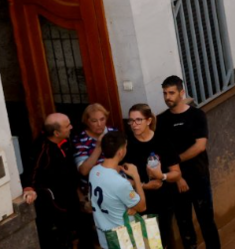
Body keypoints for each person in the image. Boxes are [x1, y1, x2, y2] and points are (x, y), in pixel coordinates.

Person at [161, 76, 221, 249]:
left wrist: (176, 160)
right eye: (165, 93)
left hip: (199, 176)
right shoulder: (162, 121)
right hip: (176, 180)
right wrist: (178, 177)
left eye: (171, 93)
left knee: (206, 220)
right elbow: (164, 152)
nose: (167, 97)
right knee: (184, 222)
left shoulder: (197, 115)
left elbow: (200, 146)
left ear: (181, 93)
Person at [24, 112, 86, 249]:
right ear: (56, 133)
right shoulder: (41, 148)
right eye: (67, 126)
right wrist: (29, 189)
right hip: (55, 204)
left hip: (71, 196)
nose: (71, 127)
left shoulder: (66, 143)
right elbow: (32, 170)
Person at [125, 103, 184, 244]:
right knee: (148, 241)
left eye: (138, 120)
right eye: (131, 121)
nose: (134, 124)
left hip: (164, 200)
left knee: (165, 238)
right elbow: (122, 179)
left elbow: (177, 173)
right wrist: (145, 186)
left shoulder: (162, 141)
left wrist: (161, 176)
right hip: (139, 203)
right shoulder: (127, 145)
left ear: (148, 121)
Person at [89, 131, 147, 249]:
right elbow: (141, 207)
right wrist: (136, 176)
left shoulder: (93, 171)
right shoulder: (120, 183)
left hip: (104, 235)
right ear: (121, 152)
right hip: (124, 238)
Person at [74, 103, 119, 179]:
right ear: (87, 122)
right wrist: (98, 147)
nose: (99, 124)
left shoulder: (114, 132)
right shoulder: (80, 139)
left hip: (115, 179)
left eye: (102, 119)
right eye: (94, 121)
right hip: (94, 184)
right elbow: (84, 171)